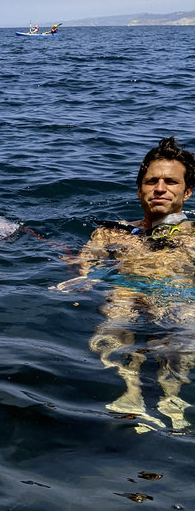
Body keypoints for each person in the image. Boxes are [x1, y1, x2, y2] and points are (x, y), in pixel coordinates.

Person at [56, 137, 195, 432]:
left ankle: (172, 397)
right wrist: (79, 275)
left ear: (188, 191)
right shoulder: (110, 232)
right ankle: (130, 391)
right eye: (151, 181)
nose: (160, 188)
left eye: (171, 182)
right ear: (139, 189)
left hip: (178, 292)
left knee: (186, 322)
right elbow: (86, 263)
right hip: (125, 289)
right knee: (117, 314)